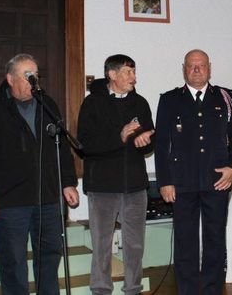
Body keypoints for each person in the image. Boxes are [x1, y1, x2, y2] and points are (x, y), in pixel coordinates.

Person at [0, 53, 80, 294]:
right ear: (10, 79)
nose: (33, 82)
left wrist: (68, 183)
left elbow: (62, 149)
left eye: (35, 76)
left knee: (49, 259)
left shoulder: (47, 104)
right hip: (10, 202)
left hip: (48, 199)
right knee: (13, 263)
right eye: (27, 76)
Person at [154, 49, 232, 295]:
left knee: (215, 241)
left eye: (201, 65)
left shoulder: (225, 97)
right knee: (186, 243)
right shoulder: (170, 99)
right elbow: (161, 144)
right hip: (182, 183)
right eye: (192, 66)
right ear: (184, 69)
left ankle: (213, 290)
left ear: (209, 68)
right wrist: (165, 181)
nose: (197, 70)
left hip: (217, 181)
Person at [76, 54, 154, 295]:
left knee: (135, 244)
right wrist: (119, 137)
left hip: (135, 186)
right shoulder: (92, 103)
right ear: (112, 74)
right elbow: (85, 145)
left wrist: (145, 142)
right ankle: (100, 289)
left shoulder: (140, 103)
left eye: (134, 71)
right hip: (102, 186)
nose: (134, 77)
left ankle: (133, 288)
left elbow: (150, 141)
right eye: (128, 72)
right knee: (101, 244)